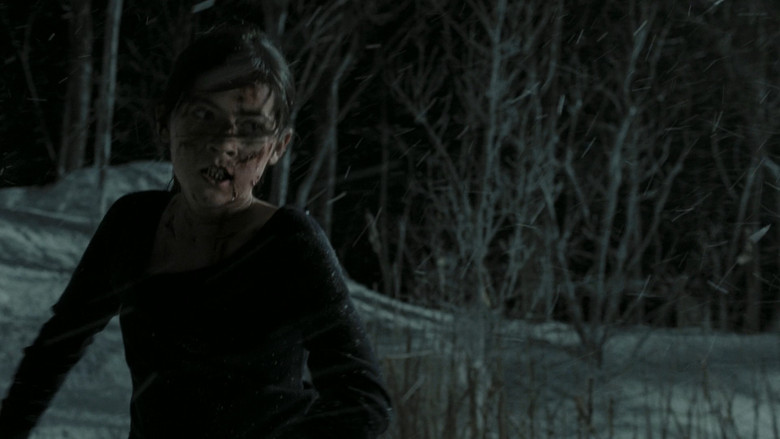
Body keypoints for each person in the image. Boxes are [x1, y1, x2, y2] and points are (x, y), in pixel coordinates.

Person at [0, 27, 392, 438]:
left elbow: (364, 403)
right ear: (164, 122)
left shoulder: (290, 244)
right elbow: (54, 349)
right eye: (204, 115)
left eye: (251, 127)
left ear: (279, 146)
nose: (224, 143)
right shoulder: (132, 224)